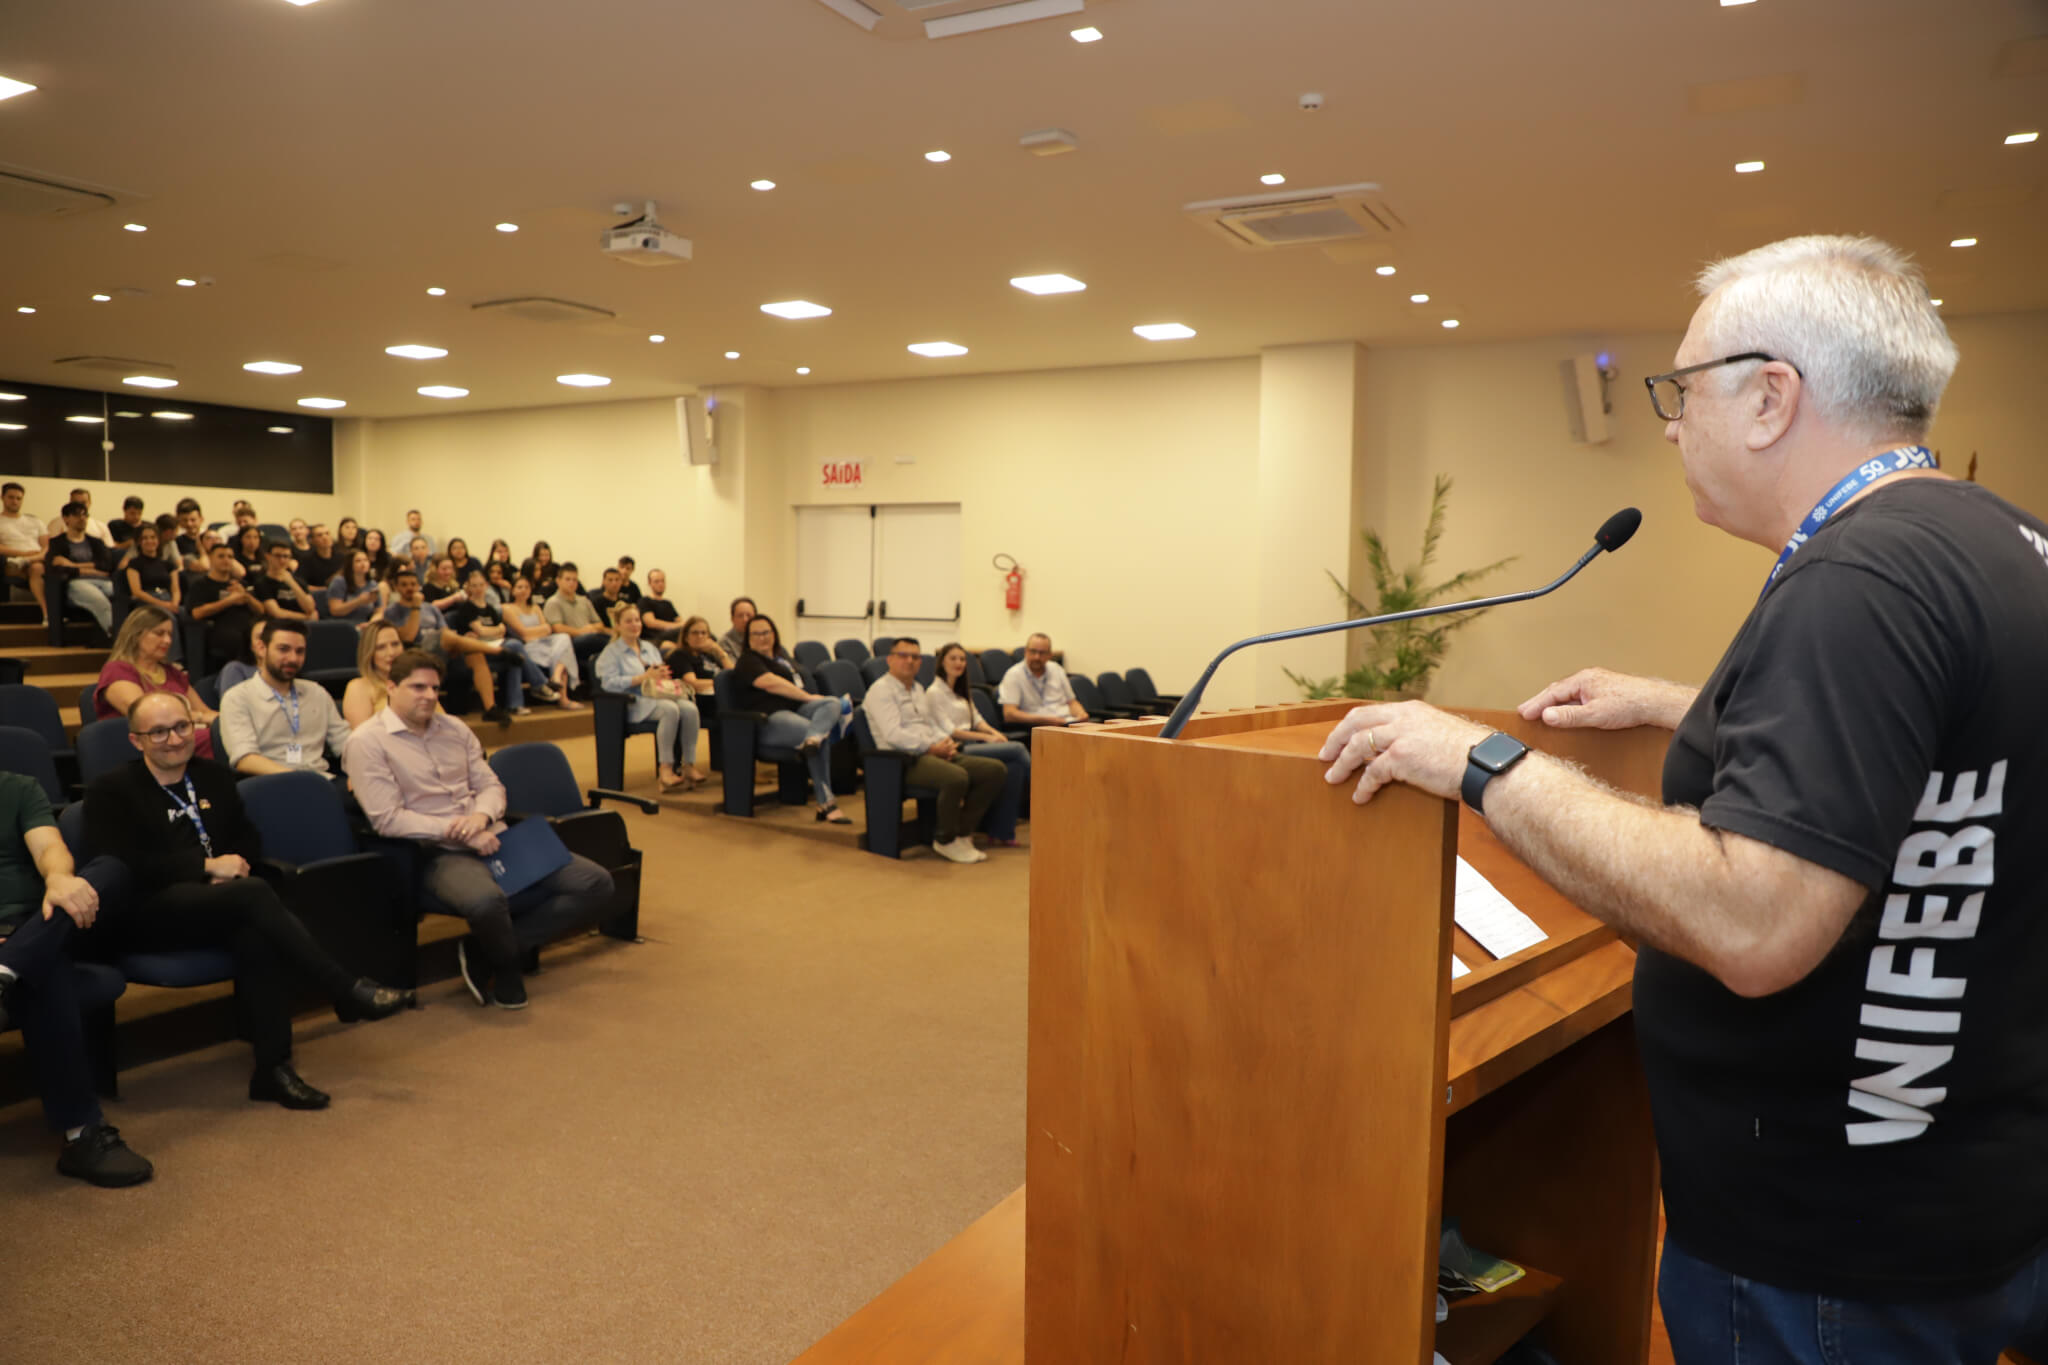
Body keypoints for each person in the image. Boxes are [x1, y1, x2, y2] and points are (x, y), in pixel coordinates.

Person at [1315, 235, 2048, 1357]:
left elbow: (1751, 922)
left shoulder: (1853, 579)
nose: (1668, 423)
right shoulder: (1992, 540)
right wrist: (1683, 704)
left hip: (1827, 1249)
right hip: (1962, 1186)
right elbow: (1935, 741)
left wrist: (1480, 762)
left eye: (1681, 389)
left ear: (1768, 398)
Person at [85, 692, 414, 1109]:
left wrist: (234, 867)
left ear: (195, 727)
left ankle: (272, 1071)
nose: (173, 739)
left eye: (182, 727)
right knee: (256, 896)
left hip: (222, 903)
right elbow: (121, 865)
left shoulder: (214, 777)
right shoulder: (111, 790)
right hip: (146, 913)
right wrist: (207, 867)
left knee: (255, 932)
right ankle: (344, 987)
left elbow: (247, 840)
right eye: (159, 732)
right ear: (137, 741)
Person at [347, 651, 613, 1010]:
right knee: (486, 902)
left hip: (493, 834)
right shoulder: (367, 742)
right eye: (417, 687)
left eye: (435, 688)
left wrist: (482, 817)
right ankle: (505, 967)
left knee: (596, 883)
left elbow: (492, 786)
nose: (428, 695)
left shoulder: (455, 729)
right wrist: (461, 831)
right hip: (436, 852)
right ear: (391, 687)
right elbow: (388, 819)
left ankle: (487, 951)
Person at [0, 770, 154, 1186]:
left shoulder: (17, 787)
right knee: (45, 968)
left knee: (110, 869)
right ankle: (81, 1135)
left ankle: (7, 969)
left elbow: (49, 846)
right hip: (41, 943)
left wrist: (59, 879)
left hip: (37, 921)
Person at [864, 638, 1006, 863]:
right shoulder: (880, 691)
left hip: (932, 751)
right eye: (903, 656)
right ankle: (945, 839)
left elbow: (929, 725)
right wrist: (932, 747)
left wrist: (945, 743)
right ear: (890, 659)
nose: (910, 661)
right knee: (956, 777)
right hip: (902, 760)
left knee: (994, 771)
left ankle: (961, 832)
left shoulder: (918, 689)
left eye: (915, 657)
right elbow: (893, 735)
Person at [736, 613, 850, 823]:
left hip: (796, 711)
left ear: (774, 634)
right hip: (770, 719)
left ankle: (815, 737)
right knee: (818, 733)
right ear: (748, 638)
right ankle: (827, 803)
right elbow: (772, 683)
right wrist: (808, 697)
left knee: (831, 702)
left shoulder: (782, 658)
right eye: (756, 634)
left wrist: (810, 700)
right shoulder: (747, 661)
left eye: (766, 632)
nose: (762, 637)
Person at [218, 620, 354, 777]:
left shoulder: (317, 693)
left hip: (322, 779)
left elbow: (345, 744)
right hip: (270, 784)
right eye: (283, 649)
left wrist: (360, 773)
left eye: (300, 651)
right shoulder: (237, 698)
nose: (293, 659)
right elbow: (245, 759)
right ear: (262, 648)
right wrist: (298, 780)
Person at [926, 642, 1029, 845]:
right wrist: (987, 738)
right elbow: (950, 730)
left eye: (962, 659)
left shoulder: (961, 690)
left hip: (973, 742)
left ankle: (1001, 832)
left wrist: (995, 733)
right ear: (942, 662)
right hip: (956, 747)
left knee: (1015, 767)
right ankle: (1045, 786)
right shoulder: (934, 692)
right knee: (1017, 749)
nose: (958, 663)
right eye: (953, 658)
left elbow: (978, 720)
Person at [386, 565, 509, 725]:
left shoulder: (430, 608)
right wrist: (416, 607)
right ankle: (497, 651)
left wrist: (460, 642)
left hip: (441, 651)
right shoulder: (392, 611)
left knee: (474, 652)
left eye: (412, 584)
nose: (409, 588)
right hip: (415, 652)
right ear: (396, 587)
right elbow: (408, 637)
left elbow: (446, 632)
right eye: (404, 585)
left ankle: (490, 708)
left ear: (418, 586)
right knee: (449, 638)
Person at [596, 603, 700, 791]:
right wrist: (642, 678)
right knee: (670, 710)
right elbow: (608, 684)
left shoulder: (649, 648)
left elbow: (659, 674)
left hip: (657, 696)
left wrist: (662, 675)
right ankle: (665, 769)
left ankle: (688, 765)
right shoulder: (611, 652)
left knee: (690, 708)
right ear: (618, 625)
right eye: (628, 621)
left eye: (637, 620)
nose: (635, 624)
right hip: (629, 704)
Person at [93, 602, 220, 757]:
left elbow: (204, 710)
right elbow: (148, 716)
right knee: (215, 738)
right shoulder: (118, 670)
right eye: (159, 633)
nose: (167, 641)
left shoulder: (172, 672)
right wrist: (200, 718)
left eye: (170, 635)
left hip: (180, 739)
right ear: (136, 635)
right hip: (143, 746)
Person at [444, 567, 554, 713]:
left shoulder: (490, 609)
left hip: (496, 647)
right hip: (478, 652)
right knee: (514, 646)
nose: (478, 589)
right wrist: (494, 631)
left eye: (481, 585)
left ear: (486, 586)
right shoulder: (466, 609)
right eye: (474, 585)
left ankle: (515, 705)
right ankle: (540, 683)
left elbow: (500, 632)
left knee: (515, 657)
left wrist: (491, 631)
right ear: (468, 587)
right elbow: (483, 631)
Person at [501, 573, 580, 707]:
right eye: (519, 587)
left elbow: (548, 629)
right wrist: (539, 630)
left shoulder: (535, 607)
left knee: (564, 638)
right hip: (526, 647)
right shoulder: (507, 608)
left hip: (544, 643)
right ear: (513, 590)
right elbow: (523, 634)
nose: (524, 590)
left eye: (526, 587)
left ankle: (556, 677)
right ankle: (563, 698)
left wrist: (538, 631)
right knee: (563, 653)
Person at [42, 501, 118, 636]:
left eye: (85, 515)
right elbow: (55, 568)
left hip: (104, 582)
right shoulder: (57, 543)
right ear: (66, 519)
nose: (82, 518)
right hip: (76, 583)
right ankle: (117, 638)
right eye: (76, 515)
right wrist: (91, 569)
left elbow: (107, 565)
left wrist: (72, 565)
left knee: (123, 596)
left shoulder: (96, 542)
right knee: (100, 602)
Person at [999, 633, 1087, 726]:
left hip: (1067, 722)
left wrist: (1081, 714)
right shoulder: (1013, 675)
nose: (1037, 657)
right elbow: (1009, 714)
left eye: (1042, 653)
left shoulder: (1057, 669)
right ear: (1025, 652)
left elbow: (1072, 702)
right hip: (1039, 726)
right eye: (1033, 651)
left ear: (1050, 655)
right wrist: (1048, 720)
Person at [543, 563, 612, 681]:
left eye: (575, 580)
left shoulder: (584, 600)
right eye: (568, 579)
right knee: (599, 639)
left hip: (590, 638)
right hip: (569, 642)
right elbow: (557, 628)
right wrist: (581, 632)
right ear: (558, 581)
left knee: (613, 640)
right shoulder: (553, 602)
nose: (572, 583)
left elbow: (599, 624)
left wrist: (590, 628)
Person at [0, 481, 48, 619]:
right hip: (12, 562)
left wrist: (35, 556)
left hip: (39, 557)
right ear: (2, 497)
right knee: (38, 568)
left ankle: (48, 614)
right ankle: (47, 613)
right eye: (11, 497)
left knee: (40, 565)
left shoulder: (35, 520)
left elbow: (46, 545)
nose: (15, 501)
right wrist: (23, 554)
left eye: (18, 498)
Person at [342, 622, 404, 729]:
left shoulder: (416, 683)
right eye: (381, 647)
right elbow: (363, 740)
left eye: (395, 644)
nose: (391, 652)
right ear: (369, 653)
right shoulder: (358, 687)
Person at [249, 538, 317, 622]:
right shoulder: (262, 583)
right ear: (268, 556)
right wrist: (306, 617)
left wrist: (291, 582)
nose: (282, 560)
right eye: (277, 556)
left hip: (303, 626)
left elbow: (310, 608)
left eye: (286, 556)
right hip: (279, 626)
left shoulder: (298, 581)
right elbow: (276, 613)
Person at [120, 522, 179, 610]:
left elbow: (175, 590)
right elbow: (137, 592)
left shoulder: (169, 565)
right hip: (146, 602)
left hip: (167, 599)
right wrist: (163, 605)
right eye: (145, 538)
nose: (149, 541)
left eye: (153, 537)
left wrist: (174, 604)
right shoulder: (134, 564)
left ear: (158, 540)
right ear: (139, 542)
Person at [327, 548, 386, 624]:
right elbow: (335, 610)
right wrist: (359, 601)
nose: (363, 564)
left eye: (365, 560)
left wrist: (370, 624)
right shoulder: (339, 582)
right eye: (358, 561)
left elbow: (379, 611)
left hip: (365, 624)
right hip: (342, 625)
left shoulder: (372, 584)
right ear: (350, 564)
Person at [215, 619, 267, 694]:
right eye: (259, 637)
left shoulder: (284, 669)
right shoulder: (235, 669)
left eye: (269, 636)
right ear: (250, 645)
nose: (264, 641)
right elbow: (231, 704)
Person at [45, 488, 110, 545]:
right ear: (70, 502)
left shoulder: (100, 527)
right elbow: (50, 548)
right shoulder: (55, 524)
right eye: (75, 502)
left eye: (83, 502)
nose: (79, 506)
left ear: (90, 503)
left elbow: (109, 549)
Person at [639, 568, 682, 644]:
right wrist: (676, 626)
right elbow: (651, 623)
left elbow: (679, 620)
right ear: (649, 583)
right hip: (655, 637)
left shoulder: (667, 603)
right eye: (657, 581)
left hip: (671, 634)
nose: (660, 584)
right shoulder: (644, 601)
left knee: (696, 629)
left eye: (662, 581)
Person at [298, 523, 343, 589]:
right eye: (319, 535)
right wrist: (325, 590)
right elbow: (300, 585)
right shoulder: (306, 560)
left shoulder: (342, 558)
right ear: (312, 540)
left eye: (327, 533)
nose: (325, 537)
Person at [716, 595, 757, 661]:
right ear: (732, 619)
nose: (745, 619)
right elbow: (733, 669)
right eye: (740, 616)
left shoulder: (762, 637)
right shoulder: (725, 643)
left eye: (749, 615)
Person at [172, 498, 207, 567]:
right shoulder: (176, 542)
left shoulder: (210, 538)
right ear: (178, 521)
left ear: (201, 519)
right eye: (185, 520)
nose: (189, 524)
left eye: (193, 520)